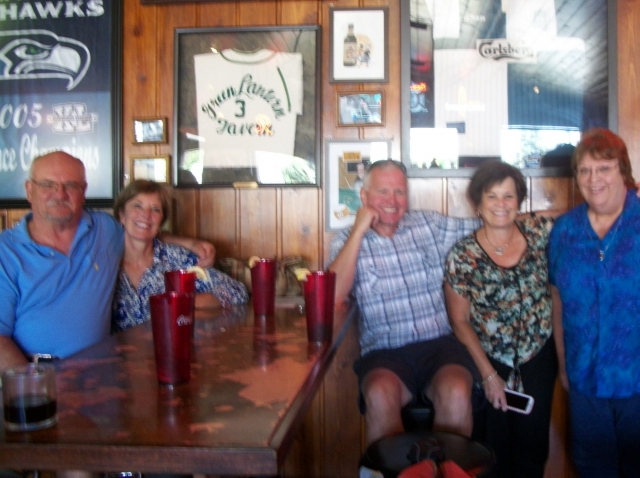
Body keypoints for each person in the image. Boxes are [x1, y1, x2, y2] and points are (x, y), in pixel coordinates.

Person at [0, 151, 215, 373]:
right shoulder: (6, 252)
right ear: (29, 190)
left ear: (83, 192)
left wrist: (190, 242)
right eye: (48, 184)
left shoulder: (103, 229)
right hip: (38, 376)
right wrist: (29, 388)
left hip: (103, 375)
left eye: (71, 185)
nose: (60, 193)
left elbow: (141, 229)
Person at [328, 159, 483, 445]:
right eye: (382, 191)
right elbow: (333, 294)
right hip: (385, 351)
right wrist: (359, 230)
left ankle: (449, 472)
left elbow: (489, 224)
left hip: (439, 345)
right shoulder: (345, 242)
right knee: (378, 393)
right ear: (364, 196)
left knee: (458, 389)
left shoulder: (428, 224)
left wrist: (550, 217)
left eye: (399, 192)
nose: (392, 200)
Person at [444, 161, 560, 478]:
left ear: (519, 202)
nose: (501, 204)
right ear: (478, 204)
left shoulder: (537, 233)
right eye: (492, 196)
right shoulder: (462, 255)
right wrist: (489, 375)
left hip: (538, 357)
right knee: (489, 454)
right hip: (489, 360)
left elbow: (575, 215)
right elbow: (460, 321)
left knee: (533, 451)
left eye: (509, 197)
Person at [548, 128, 640, 477]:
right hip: (584, 376)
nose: (593, 179)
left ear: (623, 172)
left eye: (604, 168)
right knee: (592, 467)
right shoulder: (565, 231)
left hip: (637, 378)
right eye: (584, 170)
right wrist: (562, 363)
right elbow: (558, 298)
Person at [112, 180, 248, 332]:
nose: (146, 215)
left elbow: (236, 291)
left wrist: (186, 302)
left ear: (161, 223)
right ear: (121, 215)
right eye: (137, 206)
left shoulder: (175, 258)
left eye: (155, 209)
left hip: (171, 350)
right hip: (115, 354)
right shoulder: (103, 261)